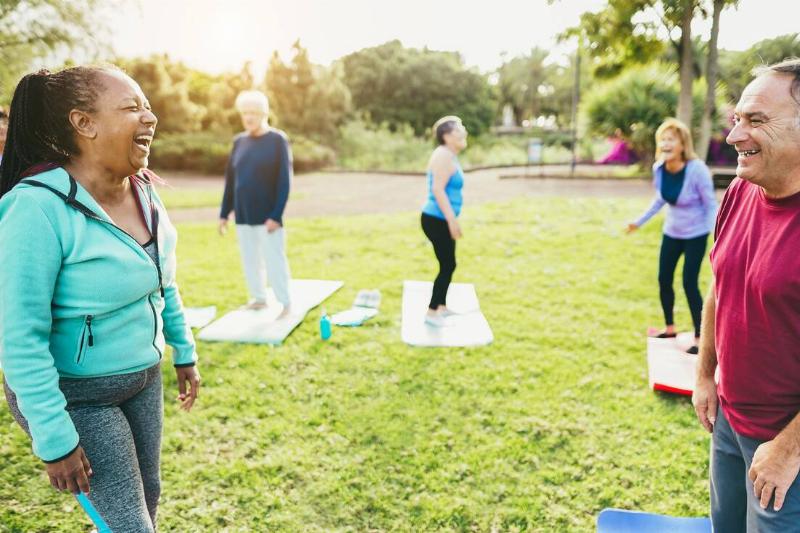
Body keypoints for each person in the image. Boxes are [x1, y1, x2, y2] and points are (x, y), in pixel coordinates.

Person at [0, 65, 201, 532]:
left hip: (142, 378)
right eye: (132, 107)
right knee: (131, 525)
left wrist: (184, 350)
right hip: (77, 396)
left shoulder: (145, 191)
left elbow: (162, 280)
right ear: (84, 123)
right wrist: (55, 439)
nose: (149, 117)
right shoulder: (36, 208)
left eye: (147, 106)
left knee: (147, 497)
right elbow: (18, 335)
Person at [692, 58, 800, 531]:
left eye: (756, 120)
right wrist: (705, 374)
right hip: (729, 421)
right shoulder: (739, 189)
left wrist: (788, 450)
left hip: (785, 445)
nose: (735, 135)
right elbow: (721, 284)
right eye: (737, 118)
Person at [626, 118, 717, 353]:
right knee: (663, 279)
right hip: (672, 233)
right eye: (663, 139)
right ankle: (670, 328)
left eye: (671, 139)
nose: (666, 143)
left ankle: (700, 338)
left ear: (683, 145)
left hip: (696, 234)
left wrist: (717, 236)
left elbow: (710, 205)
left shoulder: (697, 170)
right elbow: (660, 199)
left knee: (689, 283)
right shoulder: (659, 169)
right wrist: (638, 222)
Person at [218, 90, 292, 317]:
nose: (249, 117)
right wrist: (224, 213)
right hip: (243, 215)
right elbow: (231, 181)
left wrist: (276, 215)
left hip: (269, 217)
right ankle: (259, 298)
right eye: (245, 113)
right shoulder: (239, 142)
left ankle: (285, 303)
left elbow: (284, 182)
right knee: (250, 261)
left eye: (253, 113)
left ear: (264, 114)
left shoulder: (277, 140)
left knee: (274, 261)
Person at [420, 115, 467, 327]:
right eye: (459, 129)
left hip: (441, 218)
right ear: (447, 136)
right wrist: (451, 221)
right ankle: (432, 312)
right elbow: (437, 189)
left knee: (448, 264)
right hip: (436, 219)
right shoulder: (443, 156)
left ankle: (441, 306)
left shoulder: (449, 155)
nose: (464, 132)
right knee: (448, 264)